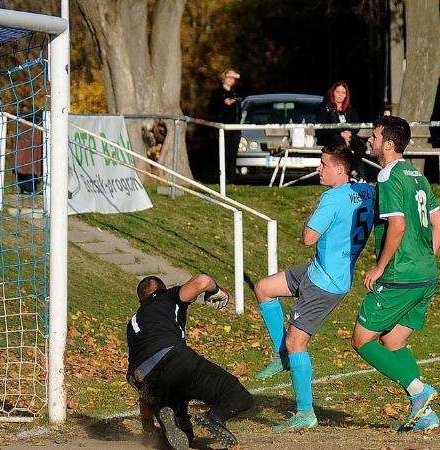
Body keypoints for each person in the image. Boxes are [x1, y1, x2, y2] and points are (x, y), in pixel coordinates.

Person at [253, 144, 375, 431]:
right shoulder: (368, 191)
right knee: (263, 288)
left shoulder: (331, 199)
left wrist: (319, 214)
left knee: (298, 342)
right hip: (318, 270)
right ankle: (281, 354)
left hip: (325, 283)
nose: (319, 168)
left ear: (340, 169)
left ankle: (305, 413)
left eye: (323, 164)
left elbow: (308, 237)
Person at [350, 115, 440, 432]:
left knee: (362, 339)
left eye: (374, 136)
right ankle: (425, 415)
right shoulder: (416, 176)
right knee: (393, 341)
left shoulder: (388, 175)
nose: (370, 140)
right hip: (426, 274)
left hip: (399, 275)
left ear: (388, 144)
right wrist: (423, 257)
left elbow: (398, 225)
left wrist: (379, 267)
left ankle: (420, 393)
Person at [127, 274, 253, 450]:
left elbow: (142, 381)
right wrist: (217, 291)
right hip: (174, 360)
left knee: (184, 437)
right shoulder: (167, 297)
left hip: (146, 379)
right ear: (161, 290)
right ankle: (214, 416)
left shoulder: (134, 323)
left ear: (140, 301)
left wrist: (147, 427)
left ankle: (172, 417)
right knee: (239, 396)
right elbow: (202, 281)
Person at [316, 81, 370, 180]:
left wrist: (349, 133)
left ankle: (353, 170)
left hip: (348, 136)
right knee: (339, 143)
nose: (340, 95)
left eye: (343, 93)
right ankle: (344, 172)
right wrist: (340, 133)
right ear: (333, 92)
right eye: (338, 92)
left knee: (360, 145)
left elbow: (356, 125)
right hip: (330, 137)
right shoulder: (325, 107)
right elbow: (322, 126)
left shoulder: (351, 108)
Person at [210, 69, 242, 184]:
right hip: (223, 126)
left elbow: (239, 109)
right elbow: (212, 109)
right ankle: (222, 178)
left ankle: (231, 179)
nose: (231, 80)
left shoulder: (235, 92)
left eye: (233, 78)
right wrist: (223, 104)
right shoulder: (217, 93)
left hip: (235, 127)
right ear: (224, 78)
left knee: (233, 154)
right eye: (229, 77)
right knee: (223, 152)